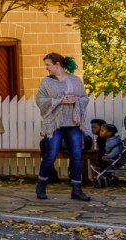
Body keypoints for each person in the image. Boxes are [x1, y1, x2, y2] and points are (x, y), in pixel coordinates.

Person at [35, 53, 92, 202]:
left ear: (57, 64)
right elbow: (40, 100)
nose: (46, 68)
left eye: (48, 65)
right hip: (54, 124)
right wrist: (60, 100)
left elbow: (85, 98)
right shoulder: (47, 82)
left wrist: (76, 100)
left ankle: (77, 189)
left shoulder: (74, 80)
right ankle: (41, 185)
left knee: (76, 156)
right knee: (50, 154)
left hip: (73, 123)